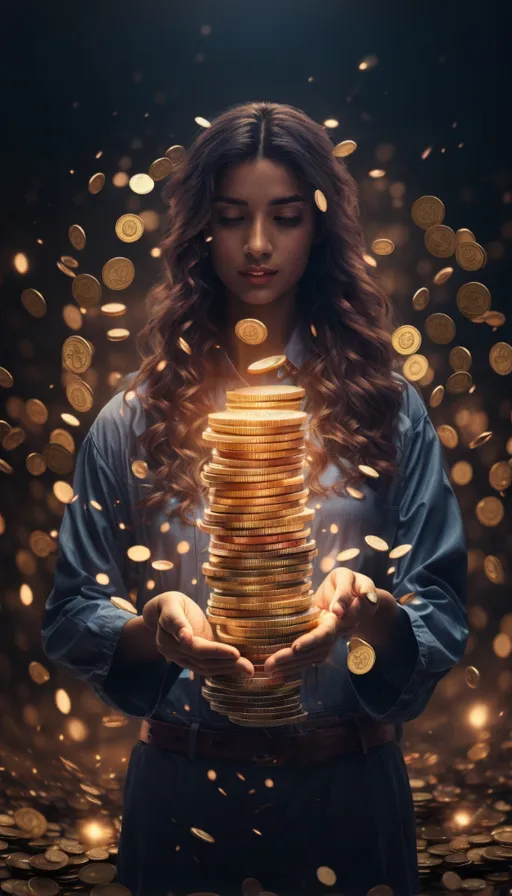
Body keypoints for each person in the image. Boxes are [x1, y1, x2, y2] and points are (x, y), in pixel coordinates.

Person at [41, 101, 469, 896]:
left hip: (350, 789)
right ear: (202, 229)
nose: (260, 245)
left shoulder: (387, 411)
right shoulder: (132, 420)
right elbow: (70, 613)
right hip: (181, 791)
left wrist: (368, 611)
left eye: (286, 218)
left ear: (322, 230)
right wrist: (155, 626)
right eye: (234, 218)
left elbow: (441, 608)